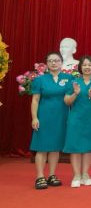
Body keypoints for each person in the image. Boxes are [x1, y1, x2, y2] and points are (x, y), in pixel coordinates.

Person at [30, 52, 73, 189]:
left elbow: (71, 98)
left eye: (56, 60)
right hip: (44, 117)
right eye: (50, 61)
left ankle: (52, 175)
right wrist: (34, 117)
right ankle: (40, 176)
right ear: (46, 64)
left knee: (55, 148)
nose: (54, 63)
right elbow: (35, 100)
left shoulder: (69, 78)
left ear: (61, 62)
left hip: (62, 117)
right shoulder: (40, 80)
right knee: (41, 147)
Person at [63, 56, 91, 188]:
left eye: (89, 65)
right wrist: (76, 93)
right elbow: (67, 101)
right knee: (75, 147)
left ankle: (85, 174)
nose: (87, 67)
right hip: (76, 118)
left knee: (88, 147)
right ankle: (77, 175)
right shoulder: (74, 82)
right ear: (80, 67)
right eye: (84, 65)